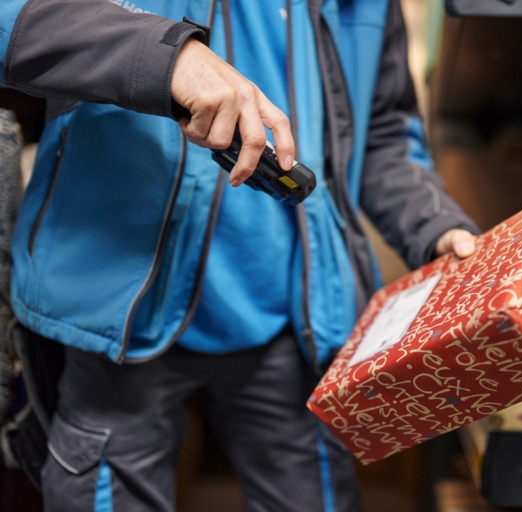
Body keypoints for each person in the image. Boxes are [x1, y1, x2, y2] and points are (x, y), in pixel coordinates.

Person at [0, 0, 480, 510]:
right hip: (113, 307)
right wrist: (168, 58)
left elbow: (381, 132)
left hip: (292, 316)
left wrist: (435, 225)